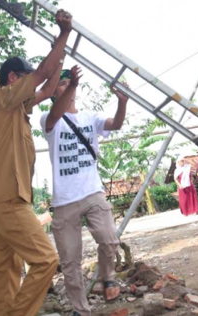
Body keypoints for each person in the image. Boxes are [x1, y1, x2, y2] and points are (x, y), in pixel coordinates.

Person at [0, 9, 72, 316]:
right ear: (13, 79)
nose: (29, 87)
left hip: (7, 198)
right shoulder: (2, 99)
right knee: (46, 260)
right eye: (25, 79)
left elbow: (47, 88)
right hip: (8, 200)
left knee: (6, 270)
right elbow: (43, 76)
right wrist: (63, 35)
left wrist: (62, 58)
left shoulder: (17, 107)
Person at [40, 65, 129, 316]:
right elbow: (56, 114)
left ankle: (108, 277)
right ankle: (81, 310)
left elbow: (117, 123)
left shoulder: (90, 118)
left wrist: (122, 102)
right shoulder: (49, 121)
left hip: (93, 193)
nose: (67, 85)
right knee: (70, 262)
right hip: (64, 202)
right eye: (61, 83)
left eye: (69, 82)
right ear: (53, 93)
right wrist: (74, 86)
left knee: (109, 237)